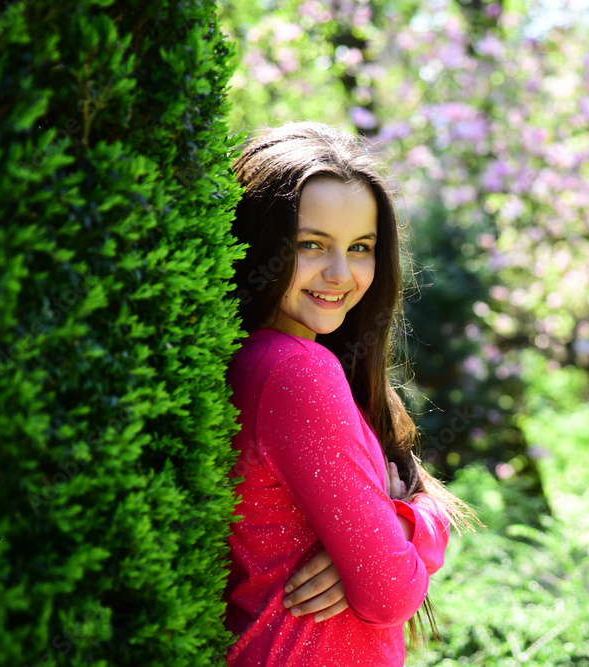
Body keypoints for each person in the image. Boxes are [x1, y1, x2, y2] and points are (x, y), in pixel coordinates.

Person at [221, 121, 475, 666]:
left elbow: (414, 512)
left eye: (361, 248)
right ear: (262, 243)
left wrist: (400, 525)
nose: (340, 273)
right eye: (310, 244)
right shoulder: (297, 371)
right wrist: (398, 535)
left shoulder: (268, 360)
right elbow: (390, 593)